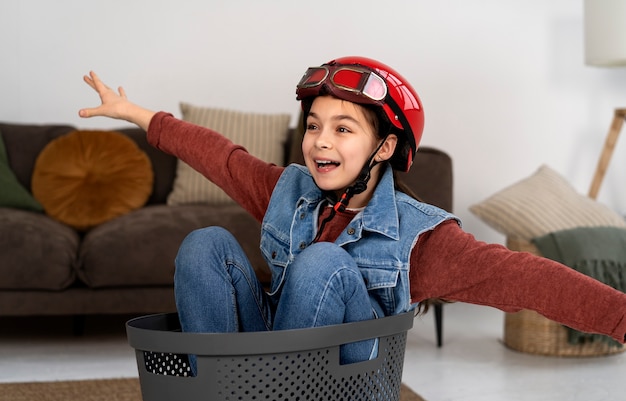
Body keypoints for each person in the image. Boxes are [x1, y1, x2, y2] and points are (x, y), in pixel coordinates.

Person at [78, 56, 626, 367]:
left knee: (321, 263)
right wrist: (135, 113)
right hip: (259, 361)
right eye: (314, 126)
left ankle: (274, 397)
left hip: (343, 378)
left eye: (343, 129)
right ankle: (222, 392)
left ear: (383, 148)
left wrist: (620, 319)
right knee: (205, 244)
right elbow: (220, 156)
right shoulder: (286, 190)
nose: (320, 142)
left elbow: (526, 279)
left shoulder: (421, 238)